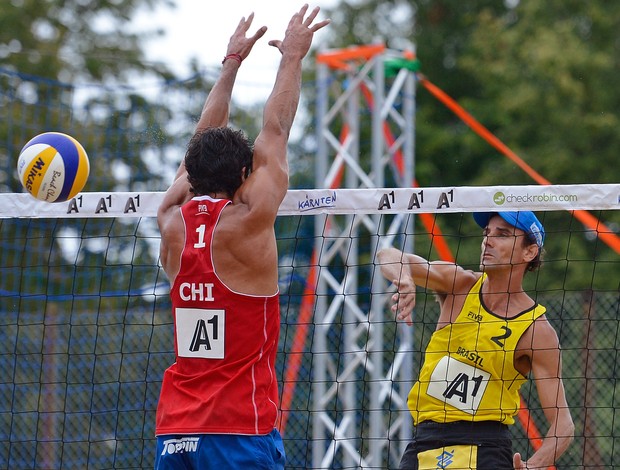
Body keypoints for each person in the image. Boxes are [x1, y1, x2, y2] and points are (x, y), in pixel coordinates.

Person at [155, 6, 329, 469]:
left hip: (176, 429)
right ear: (245, 176)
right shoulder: (250, 219)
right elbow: (276, 129)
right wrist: (292, 56)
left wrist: (231, 62)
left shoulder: (170, 217)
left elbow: (201, 138)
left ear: (191, 174)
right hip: (239, 427)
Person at [377, 211, 574, 470]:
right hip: (424, 442)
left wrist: (535, 464)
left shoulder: (536, 329)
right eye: (486, 233)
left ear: (530, 252)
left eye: (502, 235)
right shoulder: (459, 283)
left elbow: (564, 424)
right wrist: (403, 277)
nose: (488, 241)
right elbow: (388, 255)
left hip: (485, 449)